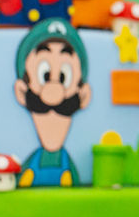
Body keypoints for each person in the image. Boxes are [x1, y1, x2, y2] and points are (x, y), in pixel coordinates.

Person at [13, 17, 91, 187]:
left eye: (64, 77)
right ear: (21, 91)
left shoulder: (70, 167)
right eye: (45, 75)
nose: (54, 94)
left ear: (83, 95)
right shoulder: (27, 167)